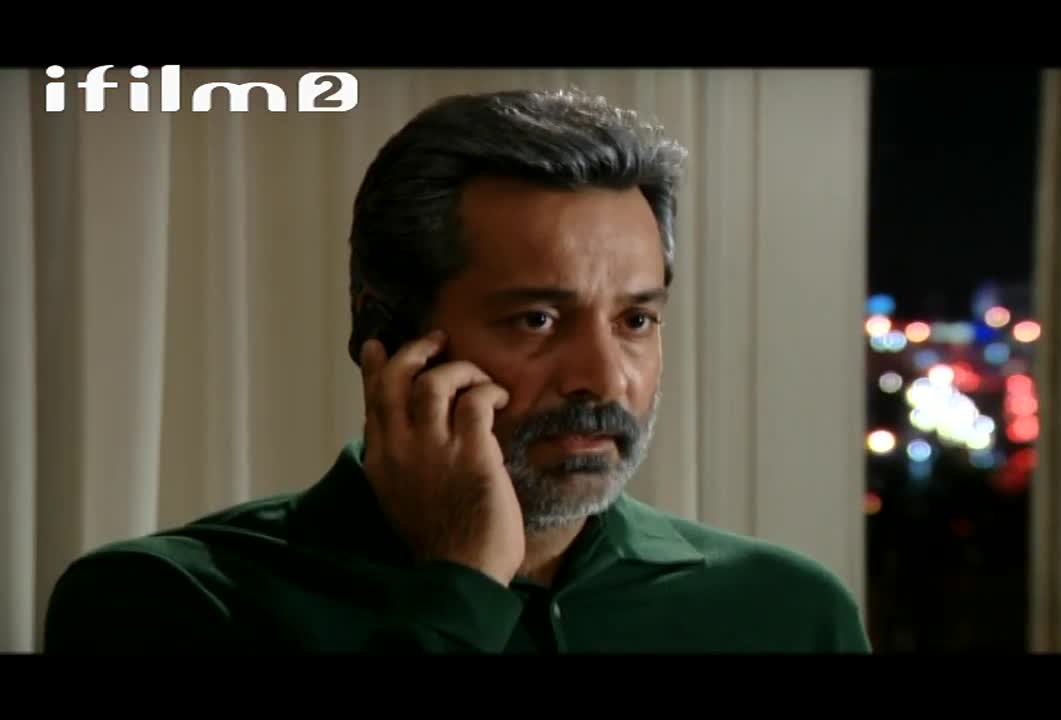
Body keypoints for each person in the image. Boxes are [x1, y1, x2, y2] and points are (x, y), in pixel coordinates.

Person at [42, 87, 872, 654]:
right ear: (384, 328)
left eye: (635, 320)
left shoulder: (786, 611)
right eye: (537, 319)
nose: (603, 378)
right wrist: (461, 586)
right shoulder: (163, 601)